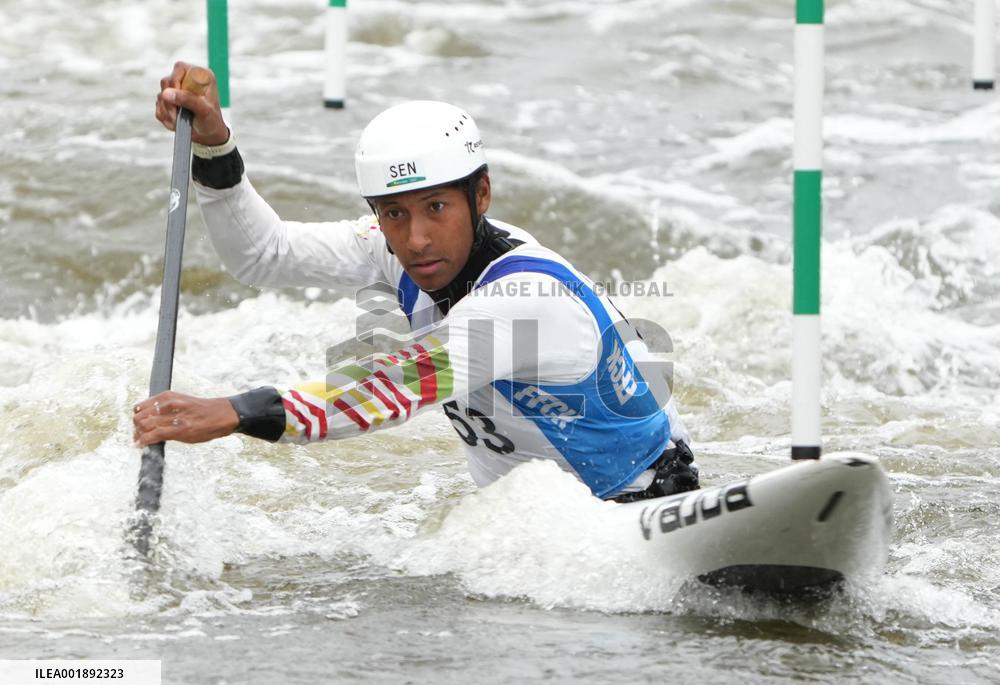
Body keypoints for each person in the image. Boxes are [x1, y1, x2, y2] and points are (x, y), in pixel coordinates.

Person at [133, 62, 699, 502]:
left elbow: (390, 390)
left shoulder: (524, 303)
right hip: (526, 528)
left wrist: (234, 411)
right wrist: (213, 146)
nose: (417, 239)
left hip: (638, 504)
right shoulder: (395, 250)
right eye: (394, 213)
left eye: (435, 208)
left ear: (480, 196)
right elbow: (263, 255)